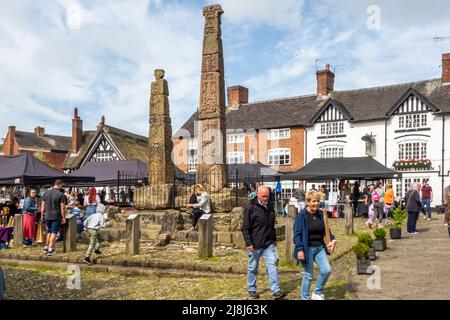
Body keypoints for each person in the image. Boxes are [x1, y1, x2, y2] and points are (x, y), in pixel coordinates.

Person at [242, 186, 285, 300]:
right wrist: (248, 243)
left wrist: (274, 239)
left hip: (268, 243)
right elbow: (245, 228)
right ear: (257, 194)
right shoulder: (250, 208)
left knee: (273, 265)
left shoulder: (270, 206)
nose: (265, 198)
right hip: (255, 244)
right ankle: (251, 289)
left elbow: (271, 225)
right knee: (253, 268)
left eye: (267, 196)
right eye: (263, 196)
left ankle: (276, 290)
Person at [293, 189, 336, 300]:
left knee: (326, 270)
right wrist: (300, 249)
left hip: (319, 248)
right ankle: (305, 297)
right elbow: (297, 235)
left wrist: (332, 239)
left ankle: (317, 292)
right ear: (308, 202)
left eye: (317, 201)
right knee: (308, 275)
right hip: (307, 249)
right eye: (313, 201)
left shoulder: (321, 214)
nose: (316, 203)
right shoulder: (302, 216)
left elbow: (327, 230)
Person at [40, 180, 66, 255]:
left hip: (47, 215)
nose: (62, 187)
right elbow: (62, 207)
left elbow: (42, 206)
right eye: (62, 185)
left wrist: (42, 215)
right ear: (59, 185)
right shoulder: (61, 195)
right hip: (56, 216)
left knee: (49, 232)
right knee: (54, 232)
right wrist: (63, 217)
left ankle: (46, 247)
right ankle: (50, 249)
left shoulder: (46, 193)